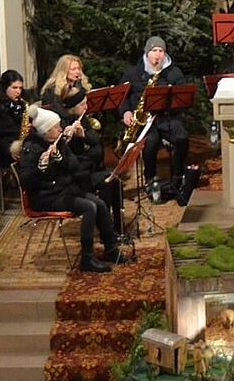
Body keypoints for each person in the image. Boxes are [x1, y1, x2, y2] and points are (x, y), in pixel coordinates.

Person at [19, 106, 126, 272]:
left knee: (100, 204)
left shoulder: (59, 141)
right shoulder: (31, 148)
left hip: (63, 190)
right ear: (46, 131)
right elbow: (26, 182)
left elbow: (75, 167)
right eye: (56, 127)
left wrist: (60, 159)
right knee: (89, 207)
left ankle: (110, 249)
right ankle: (87, 259)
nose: (60, 129)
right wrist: (41, 168)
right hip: (45, 197)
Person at [119, 36, 188, 186]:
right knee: (150, 142)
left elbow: (182, 98)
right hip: (144, 121)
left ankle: (178, 175)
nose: (157, 54)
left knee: (182, 137)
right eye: (154, 50)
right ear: (147, 53)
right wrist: (126, 112)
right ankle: (150, 178)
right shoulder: (133, 73)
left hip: (167, 118)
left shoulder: (174, 73)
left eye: (161, 51)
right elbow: (121, 96)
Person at [60, 86, 124, 234]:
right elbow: (70, 159)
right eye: (83, 104)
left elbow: (97, 145)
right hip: (75, 178)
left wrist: (84, 136)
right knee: (108, 180)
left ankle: (117, 227)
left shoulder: (82, 120)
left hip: (86, 170)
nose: (87, 107)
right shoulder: (63, 125)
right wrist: (68, 138)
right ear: (73, 107)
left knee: (114, 179)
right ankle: (106, 229)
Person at [0, 70, 27, 167]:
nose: (18, 91)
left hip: (22, 147)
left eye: (20, 88)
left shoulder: (21, 104)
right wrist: (9, 149)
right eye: (14, 88)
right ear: (5, 87)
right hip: (3, 151)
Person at [40, 54, 92, 119]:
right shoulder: (51, 89)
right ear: (63, 71)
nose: (77, 72)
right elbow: (56, 112)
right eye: (73, 69)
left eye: (78, 68)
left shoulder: (79, 85)